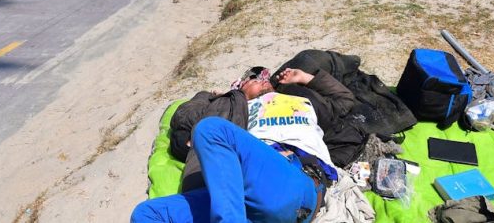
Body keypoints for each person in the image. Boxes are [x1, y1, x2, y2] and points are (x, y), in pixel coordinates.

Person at [131, 66, 356, 223]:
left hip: (292, 178)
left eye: (266, 76)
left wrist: (304, 77)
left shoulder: (299, 99)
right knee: (146, 214)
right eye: (254, 77)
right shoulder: (233, 106)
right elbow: (183, 118)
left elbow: (345, 101)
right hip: (236, 199)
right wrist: (223, 96)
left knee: (211, 130)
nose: (263, 78)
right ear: (239, 84)